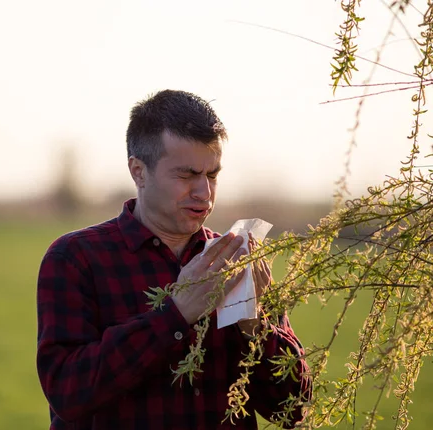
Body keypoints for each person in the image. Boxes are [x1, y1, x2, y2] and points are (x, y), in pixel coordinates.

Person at [36, 90, 311, 430]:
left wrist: (255, 325)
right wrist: (175, 316)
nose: (204, 193)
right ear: (139, 172)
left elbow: (293, 409)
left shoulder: (237, 262)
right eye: (186, 175)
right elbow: (68, 393)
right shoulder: (75, 258)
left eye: (212, 175)